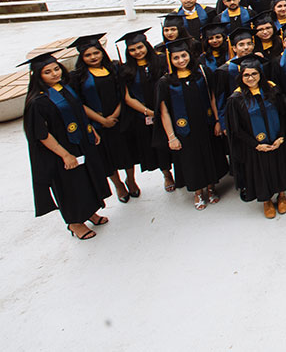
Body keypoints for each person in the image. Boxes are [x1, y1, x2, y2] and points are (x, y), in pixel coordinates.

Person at [21, 52, 112, 240]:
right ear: (38, 76)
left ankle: (89, 212)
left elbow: (79, 111)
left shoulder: (65, 88)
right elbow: (42, 135)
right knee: (70, 187)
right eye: (48, 72)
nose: (54, 74)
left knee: (86, 180)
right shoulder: (38, 102)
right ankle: (74, 223)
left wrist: (90, 131)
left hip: (81, 144)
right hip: (62, 151)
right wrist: (65, 155)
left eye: (56, 69)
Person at [156, 40, 228, 210]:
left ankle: (211, 188)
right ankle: (197, 192)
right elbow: (164, 112)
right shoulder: (165, 81)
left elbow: (212, 97)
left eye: (184, 55)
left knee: (209, 154)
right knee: (191, 160)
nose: (181, 60)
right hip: (184, 131)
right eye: (176, 58)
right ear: (170, 59)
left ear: (189, 55)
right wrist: (171, 137)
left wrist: (218, 121)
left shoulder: (202, 72)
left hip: (206, 124)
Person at [69, 34, 136, 203]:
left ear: (102, 52)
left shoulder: (114, 67)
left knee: (127, 153)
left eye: (96, 53)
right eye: (88, 55)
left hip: (119, 118)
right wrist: (102, 121)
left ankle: (131, 180)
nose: (93, 57)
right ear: (82, 57)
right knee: (107, 158)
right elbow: (79, 103)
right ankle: (119, 185)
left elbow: (122, 93)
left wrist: (114, 115)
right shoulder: (77, 76)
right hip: (97, 123)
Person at [225, 56, 286, 219]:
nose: (251, 78)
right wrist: (255, 145)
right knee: (260, 171)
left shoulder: (272, 90)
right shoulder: (236, 99)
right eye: (246, 75)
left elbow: (284, 114)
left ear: (261, 74)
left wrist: (281, 137)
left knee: (279, 167)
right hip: (254, 146)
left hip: (277, 140)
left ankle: (282, 195)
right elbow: (236, 129)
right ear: (240, 77)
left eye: (254, 74)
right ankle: (266, 200)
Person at [116, 29, 174, 192]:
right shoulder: (126, 70)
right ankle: (166, 174)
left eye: (140, 47)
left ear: (146, 46)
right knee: (157, 146)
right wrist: (149, 112)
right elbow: (127, 97)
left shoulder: (161, 61)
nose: (137, 52)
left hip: (167, 110)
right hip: (144, 114)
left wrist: (163, 110)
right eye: (132, 50)